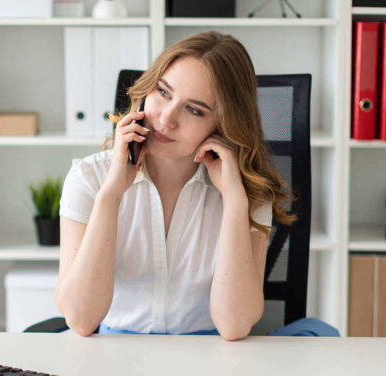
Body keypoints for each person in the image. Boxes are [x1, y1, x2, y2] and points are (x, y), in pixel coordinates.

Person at [56, 31, 339, 340]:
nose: (166, 119)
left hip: (209, 362)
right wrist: (111, 195)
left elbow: (233, 326)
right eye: (163, 92)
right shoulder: (90, 178)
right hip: (117, 358)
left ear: (222, 125)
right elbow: (81, 320)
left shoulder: (246, 191)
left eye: (194, 110)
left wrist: (233, 200)